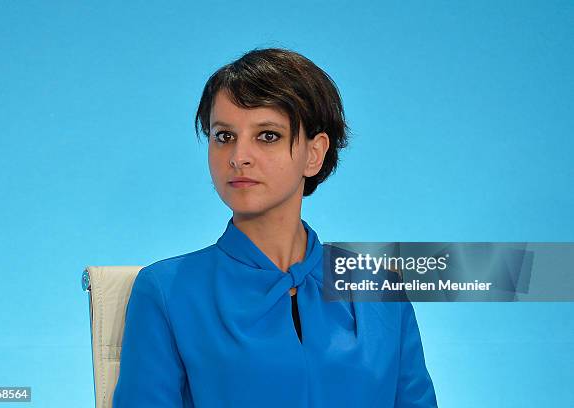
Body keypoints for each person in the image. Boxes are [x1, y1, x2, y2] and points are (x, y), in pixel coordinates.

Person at [112, 47, 437, 407]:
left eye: (267, 135)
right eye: (224, 136)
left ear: (314, 154)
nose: (239, 157)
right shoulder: (165, 290)